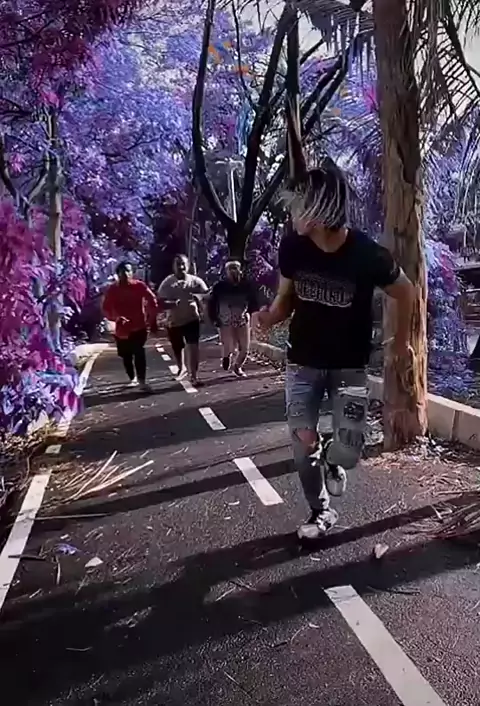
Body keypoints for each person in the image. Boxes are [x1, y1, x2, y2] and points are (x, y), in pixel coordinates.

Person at [253, 162, 414, 541]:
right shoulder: (293, 248)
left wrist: (402, 342)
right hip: (302, 364)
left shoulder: (366, 254)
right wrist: (268, 317)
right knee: (301, 441)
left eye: (296, 205)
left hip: (349, 367)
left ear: (318, 211)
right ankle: (321, 511)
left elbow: (405, 290)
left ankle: (332, 456)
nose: (291, 213)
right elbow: (285, 300)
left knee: (349, 451)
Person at [102, 262, 158, 392]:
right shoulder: (113, 290)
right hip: (122, 329)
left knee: (139, 352)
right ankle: (132, 377)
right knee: (126, 355)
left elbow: (152, 300)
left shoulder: (139, 286)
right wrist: (116, 318)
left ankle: (142, 382)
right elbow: (106, 308)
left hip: (139, 326)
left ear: (132, 273)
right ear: (118, 274)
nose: (125, 274)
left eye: (128, 271)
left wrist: (151, 318)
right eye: (122, 271)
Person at [157, 254, 209, 385]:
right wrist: (172, 304)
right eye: (178, 264)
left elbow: (206, 296)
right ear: (173, 267)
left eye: (183, 264)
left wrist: (201, 302)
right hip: (174, 321)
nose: (181, 267)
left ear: (188, 266)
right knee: (177, 347)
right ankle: (181, 368)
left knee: (193, 347)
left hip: (192, 319)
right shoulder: (168, 283)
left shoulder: (195, 281)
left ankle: (194, 376)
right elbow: (160, 302)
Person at [208, 260, 259, 377]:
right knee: (229, 346)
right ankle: (226, 356)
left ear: (240, 270)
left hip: (242, 320)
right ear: (226, 271)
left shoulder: (247, 286)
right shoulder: (219, 287)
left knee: (245, 348)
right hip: (225, 321)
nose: (233, 271)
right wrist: (214, 318)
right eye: (230, 268)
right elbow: (212, 304)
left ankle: (238, 366)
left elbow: (254, 303)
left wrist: (254, 315)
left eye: (235, 268)